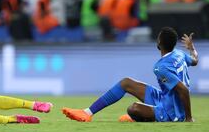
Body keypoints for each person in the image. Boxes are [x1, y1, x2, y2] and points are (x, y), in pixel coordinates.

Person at [62, 27, 198, 122]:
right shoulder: (180, 54)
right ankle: (87, 112)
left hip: (171, 112)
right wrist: (191, 48)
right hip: (165, 99)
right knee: (126, 82)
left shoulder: (160, 67)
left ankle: (145, 118)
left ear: (159, 43)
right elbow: (195, 60)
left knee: (133, 109)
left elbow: (183, 90)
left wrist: (188, 118)